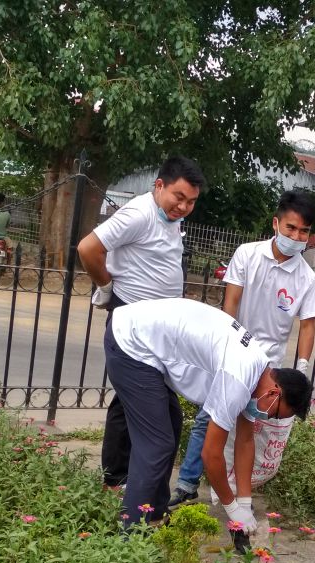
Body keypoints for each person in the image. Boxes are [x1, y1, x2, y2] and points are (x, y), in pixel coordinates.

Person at [103, 297, 312, 546]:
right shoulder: (239, 378)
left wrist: (245, 504)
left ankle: (155, 515)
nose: (268, 418)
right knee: (156, 445)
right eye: (276, 414)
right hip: (131, 342)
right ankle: (131, 538)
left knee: (171, 423)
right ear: (274, 393)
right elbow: (211, 454)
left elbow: (245, 441)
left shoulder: (259, 371)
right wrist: (231, 508)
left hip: (147, 340)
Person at [168, 189, 315, 509]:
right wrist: (222, 347)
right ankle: (186, 484)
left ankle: (242, 494)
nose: (296, 236)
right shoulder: (248, 255)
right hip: (234, 352)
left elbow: (308, 324)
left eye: (304, 232)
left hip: (269, 368)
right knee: (208, 420)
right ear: (276, 223)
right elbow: (232, 303)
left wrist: (303, 368)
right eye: (291, 228)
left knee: (249, 429)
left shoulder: (306, 278)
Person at [77, 156, 206, 488]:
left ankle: (121, 477)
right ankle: (120, 479)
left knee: (132, 401)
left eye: (191, 201)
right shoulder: (139, 214)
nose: (184, 206)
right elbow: (88, 248)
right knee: (146, 405)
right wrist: (107, 287)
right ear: (159, 185)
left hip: (158, 328)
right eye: (179, 197)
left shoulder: (168, 218)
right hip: (134, 322)